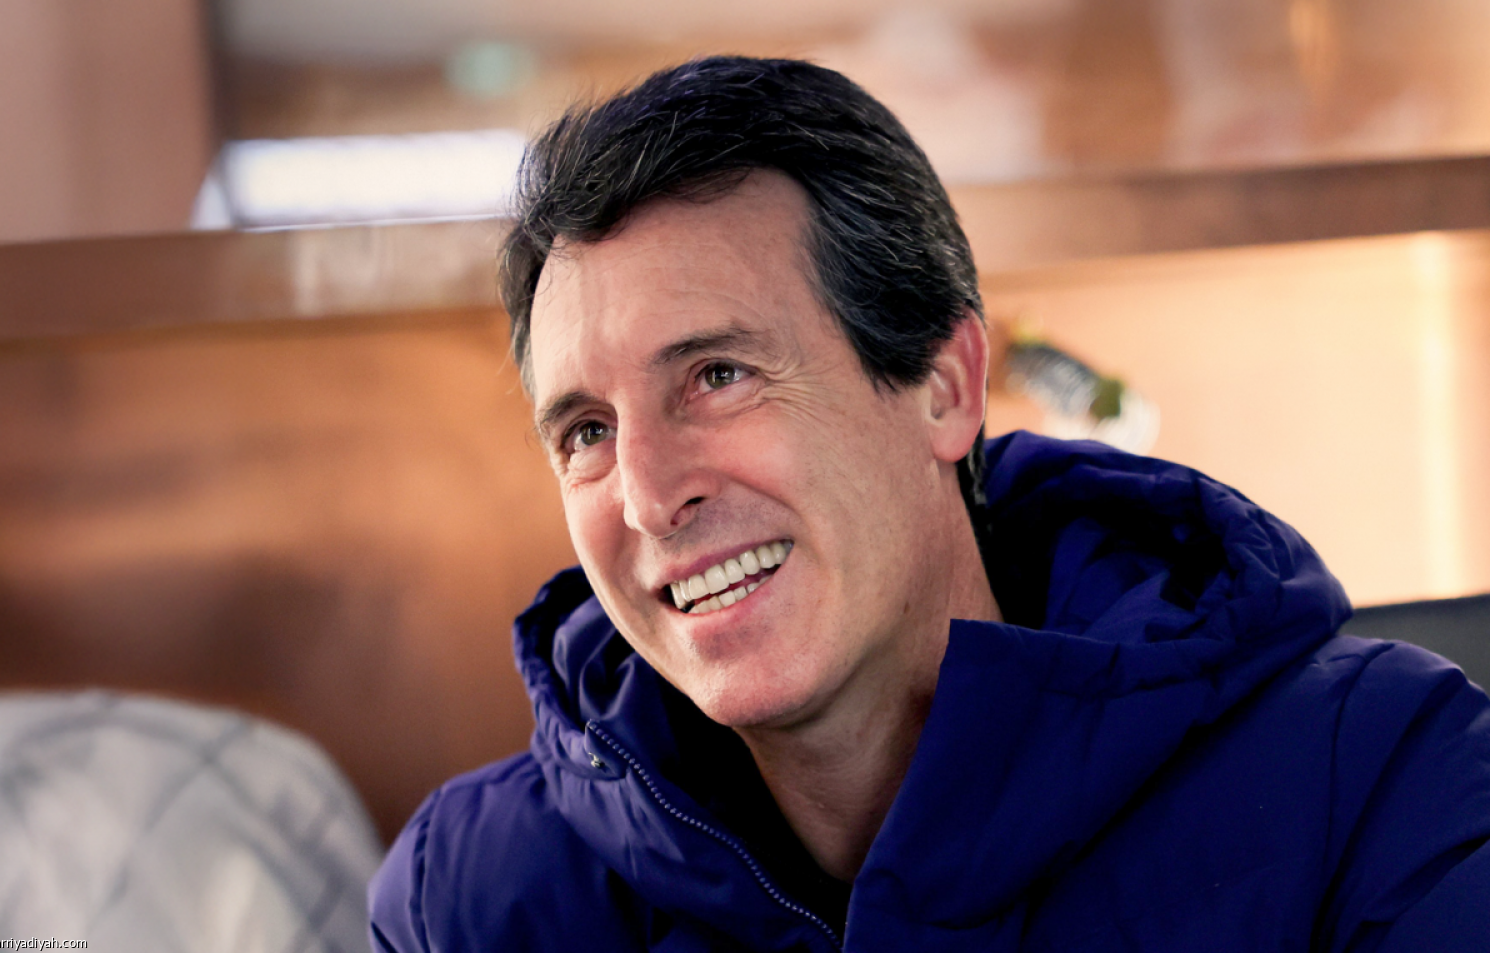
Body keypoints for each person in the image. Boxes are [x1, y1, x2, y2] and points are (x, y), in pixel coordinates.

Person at [369, 57, 1490, 952]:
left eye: (718, 374)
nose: (652, 497)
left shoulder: (1378, 780)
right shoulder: (470, 899)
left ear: (945, 385)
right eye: (587, 432)